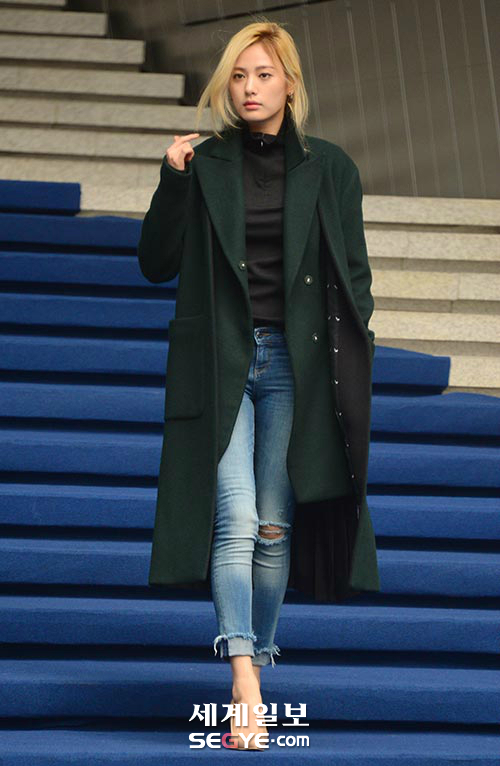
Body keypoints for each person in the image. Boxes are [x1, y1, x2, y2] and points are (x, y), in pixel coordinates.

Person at [138, 19, 378, 751]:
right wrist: (172, 182)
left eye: (264, 74)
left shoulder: (330, 167)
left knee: (274, 527)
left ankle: (259, 665)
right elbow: (156, 262)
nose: (249, 88)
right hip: (221, 363)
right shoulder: (204, 163)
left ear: (290, 84)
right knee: (237, 519)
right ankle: (245, 680)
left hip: (296, 368)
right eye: (238, 76)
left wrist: (346, 351)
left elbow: (356, 277)